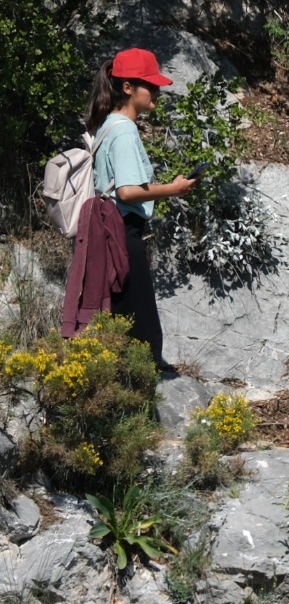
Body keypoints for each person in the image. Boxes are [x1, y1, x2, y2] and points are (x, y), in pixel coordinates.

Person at [85, 49, 196, 371]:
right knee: (143, 329)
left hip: (109, 232)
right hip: (123, 232)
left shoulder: (107, 126)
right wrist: (173, 190)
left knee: (126, 319)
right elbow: (128, 191)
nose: (157, 92)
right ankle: (144, 391)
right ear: (128, 88)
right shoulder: (123, 129)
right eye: (151, 85)